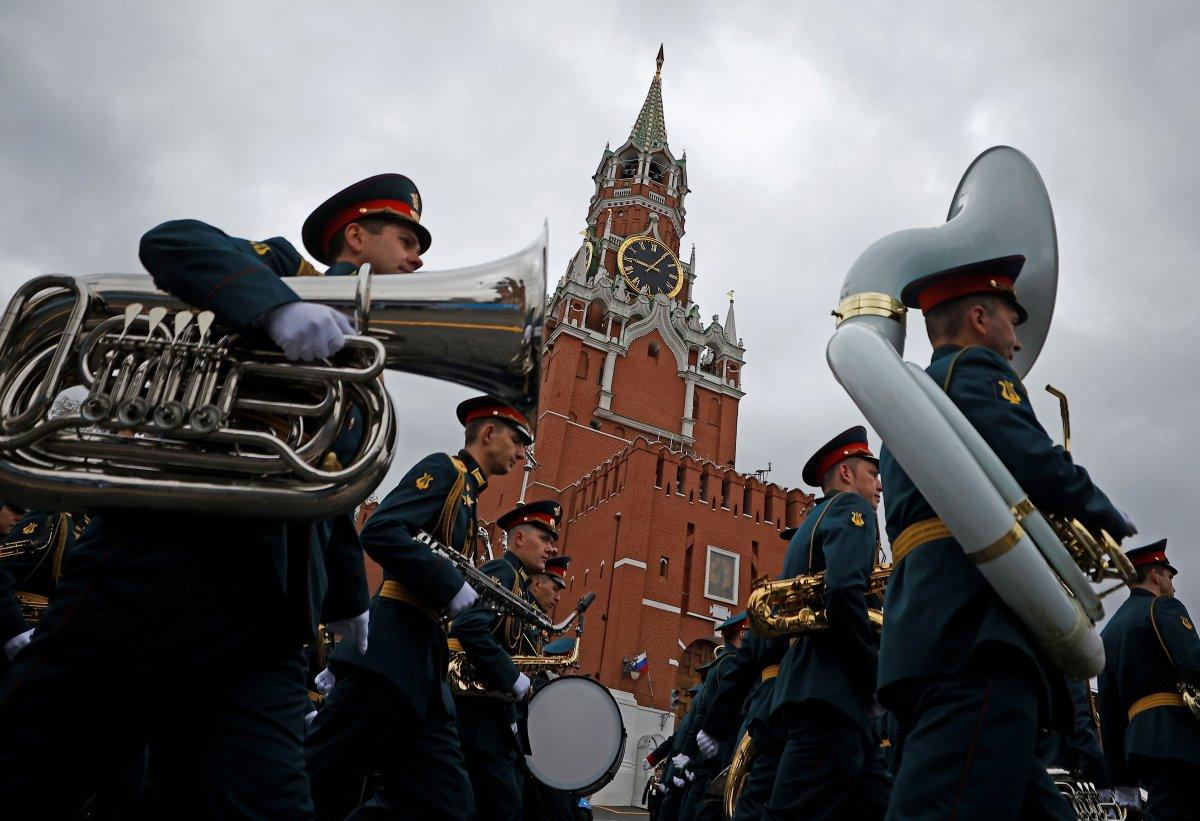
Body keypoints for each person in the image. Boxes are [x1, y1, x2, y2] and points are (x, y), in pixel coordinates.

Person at [0, 173, 434, 817]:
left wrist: (346, 597)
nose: (418, 258)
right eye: (405, 239)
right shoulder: (282, 269)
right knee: (27, 775)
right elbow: (172, 241)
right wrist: (274, 308)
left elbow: (325, 487)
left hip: (270, 623)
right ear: (355, 235)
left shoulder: (357, 359)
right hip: (157, 573)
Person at [878, 259, 1136, 820]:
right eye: (1011, 324)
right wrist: (1108, 517)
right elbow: (1035, 462)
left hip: (939, 626)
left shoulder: (916, 400)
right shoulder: (973, 370)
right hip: (977, 631)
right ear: (979, 318)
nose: (1017, 345)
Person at [306, 395, 531, 820]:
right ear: (488, 433)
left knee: (446, 806)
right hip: (389, 661)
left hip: (423, 670)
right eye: (517, 439)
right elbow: (382, 529)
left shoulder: (469, 493)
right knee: (321, 782)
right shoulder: (445, 470)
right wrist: (448, 584)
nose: (522, 453)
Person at [754, 427, 891, 819]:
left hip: (822, 693)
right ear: (847, 474)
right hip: (834, 694)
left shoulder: (814, 521)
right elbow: (845, 591)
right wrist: (872, 667)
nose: (879, 486)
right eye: (872, 473)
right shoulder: (853, 510)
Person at [449, 500, 561, 821]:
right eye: (544, 539)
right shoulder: (503, 571)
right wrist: (512, 677)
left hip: (492, 718)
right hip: (473, 715)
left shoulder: (521, 585)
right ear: (519, 539)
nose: (551, 549)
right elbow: (468, 626)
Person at [1097, 539, 1200, 819]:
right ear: (1156, 574)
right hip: (1177, 739)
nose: (1173, 585)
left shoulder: (1109, 631)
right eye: (1169, 576)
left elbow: (1108, 709)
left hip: (1138, 745)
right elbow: (1194, 663)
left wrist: (1118, 776)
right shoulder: (1164, 608)